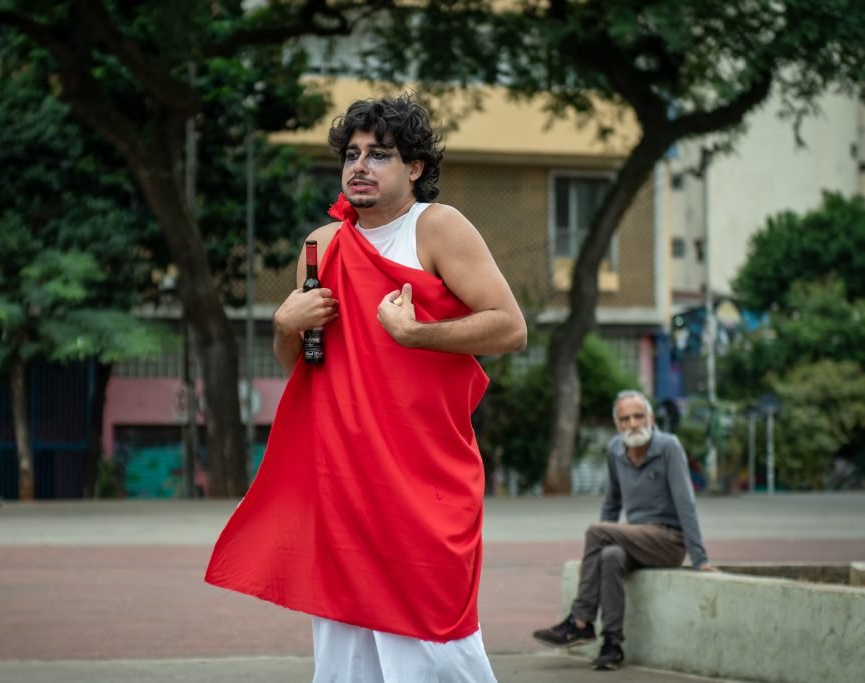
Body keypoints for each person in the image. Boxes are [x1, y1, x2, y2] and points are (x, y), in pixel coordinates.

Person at [205, 93, 527, 682]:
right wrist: (284, 326)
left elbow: (510, 327)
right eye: (352, 154)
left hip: (422, 473)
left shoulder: (437, 228)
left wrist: (416, 334)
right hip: (343, 477)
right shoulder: (322, 245)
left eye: (379, 154)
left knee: (434, 639)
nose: (360, 166)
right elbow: (303, 362)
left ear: (415, 168)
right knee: (346, 643)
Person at [532, 389, 717, 671]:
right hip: (636, 539)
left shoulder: (669, 447)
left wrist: (699, 559)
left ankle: (580, 621)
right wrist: (594, 555)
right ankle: (612, 646)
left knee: (597, 532)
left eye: (639, 416)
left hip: (669, 540)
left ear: (651, 418)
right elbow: (611, 504)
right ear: (618, 424)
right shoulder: (615, 451)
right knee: (610, 557)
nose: (633, 424)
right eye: (626, 418)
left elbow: (686, 504)